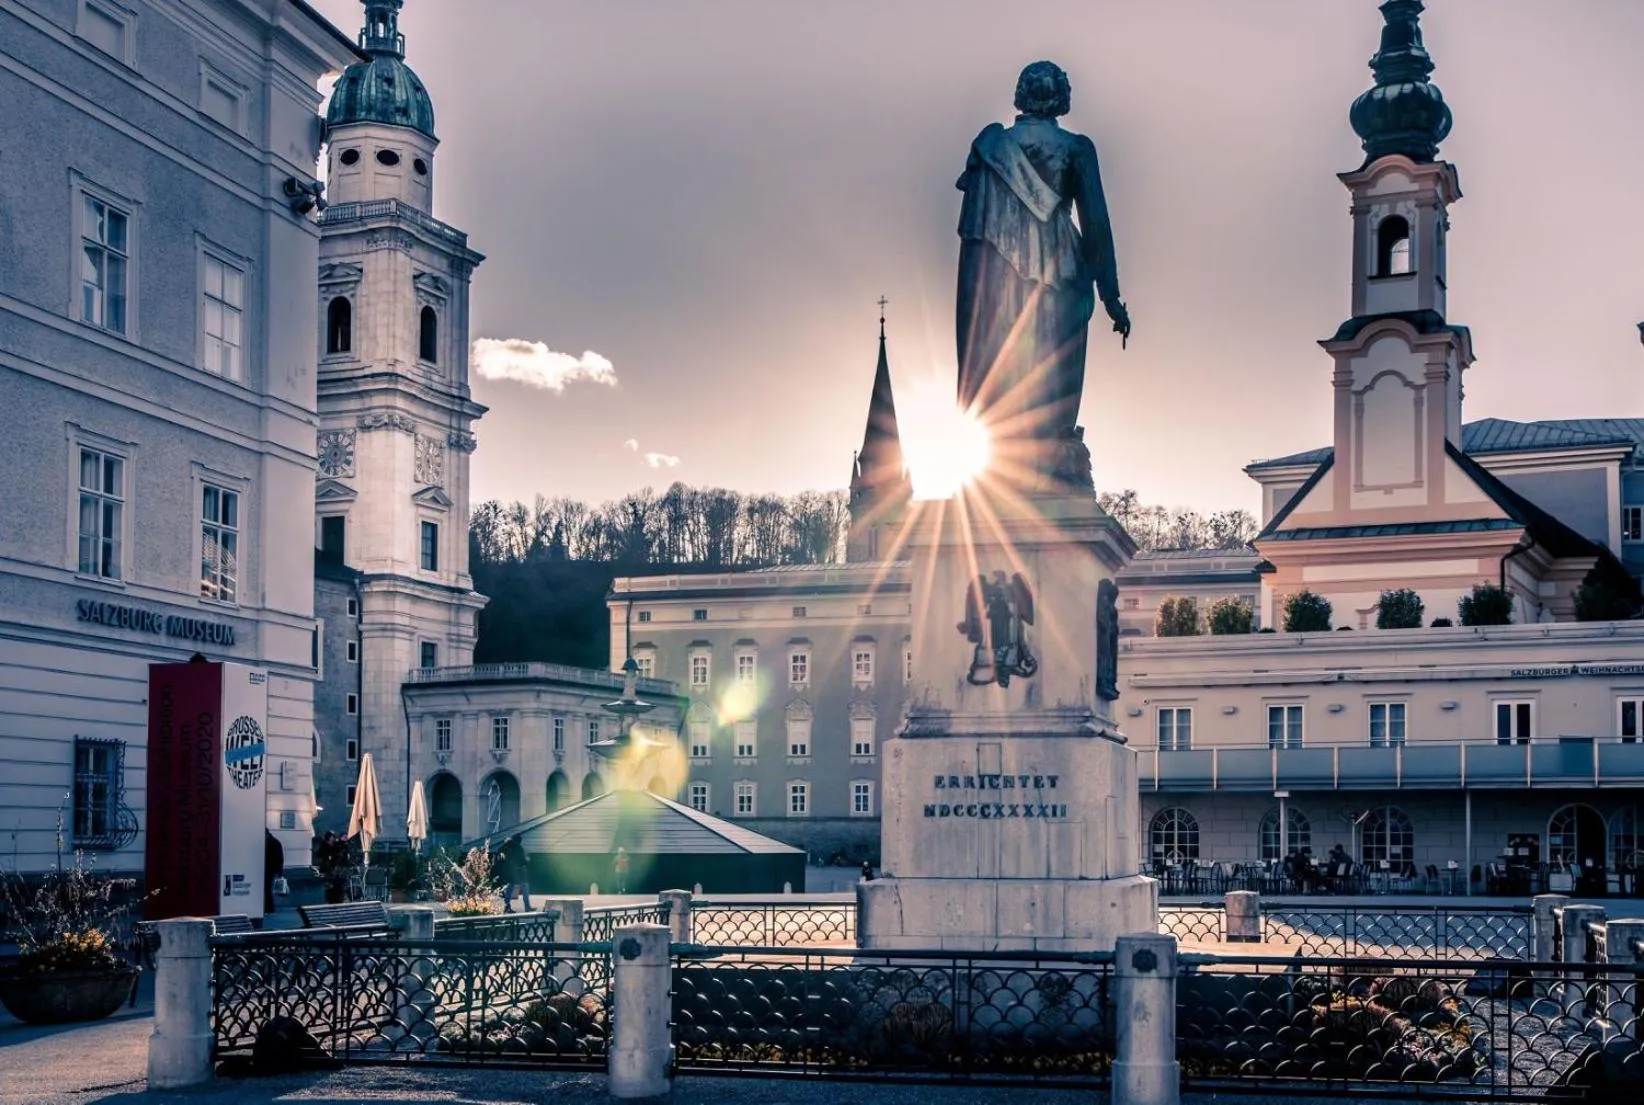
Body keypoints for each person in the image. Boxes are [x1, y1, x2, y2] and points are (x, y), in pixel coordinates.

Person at [954, 60, 1130, 485]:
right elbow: (1097, 226)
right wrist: (1110, 296)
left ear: (1021, 95)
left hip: (1000, 277)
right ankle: (1055, 457)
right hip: (1061, 273)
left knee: (1008, 364)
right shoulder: (1076, 149)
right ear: (1061, 99)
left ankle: (1008, 457)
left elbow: (973, 239)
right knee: (1056, 372)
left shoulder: (991, 147)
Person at [500, 834, 530, 913]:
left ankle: (507, 907)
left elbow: (501, 855)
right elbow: (521, 859)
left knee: (510, 888)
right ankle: (527, 907)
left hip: (507, 870)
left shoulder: (505, 846)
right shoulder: (518, 847)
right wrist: (526, 862)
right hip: (518, 870)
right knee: (524, 886)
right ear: (519, 841)